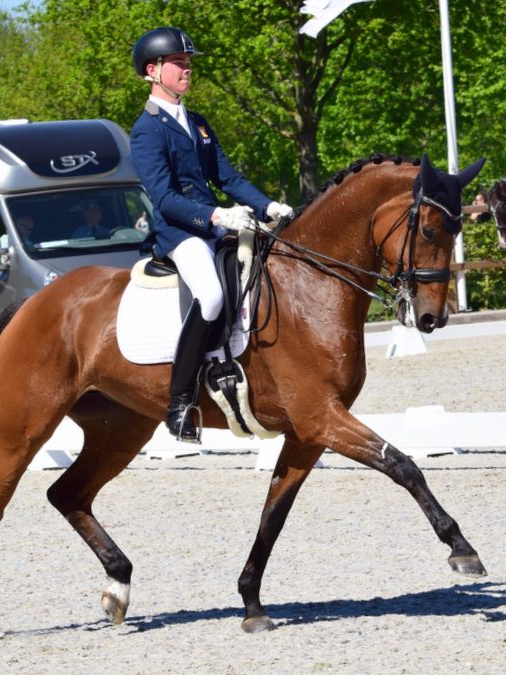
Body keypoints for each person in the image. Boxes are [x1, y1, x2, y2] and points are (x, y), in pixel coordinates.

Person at [129, 27, 294, 443]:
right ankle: (180, 402)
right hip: (179, 232)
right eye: (179, 64)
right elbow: (164, 197)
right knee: (212, 295)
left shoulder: (197, 123)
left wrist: (266, 206)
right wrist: (217, 216)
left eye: (188, 63)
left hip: (213, 224)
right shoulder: (147, 130)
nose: (187, 70)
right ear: (153, 71)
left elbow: (227, 176)